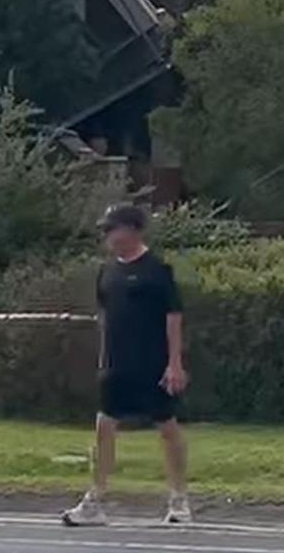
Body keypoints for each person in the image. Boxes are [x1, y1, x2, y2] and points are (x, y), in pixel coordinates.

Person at [62, 204, 191, 527]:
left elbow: (173, 317)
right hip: (117, 365)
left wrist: (174, 363)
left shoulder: (157, 270)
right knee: (104, 426)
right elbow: (104, 317)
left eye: (112, 229)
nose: (108, 236)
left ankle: (179, 500)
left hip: (152, 362)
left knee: (167, 427)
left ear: (132, 230)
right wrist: (103, 358)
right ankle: (96, 499)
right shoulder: (108, 272)